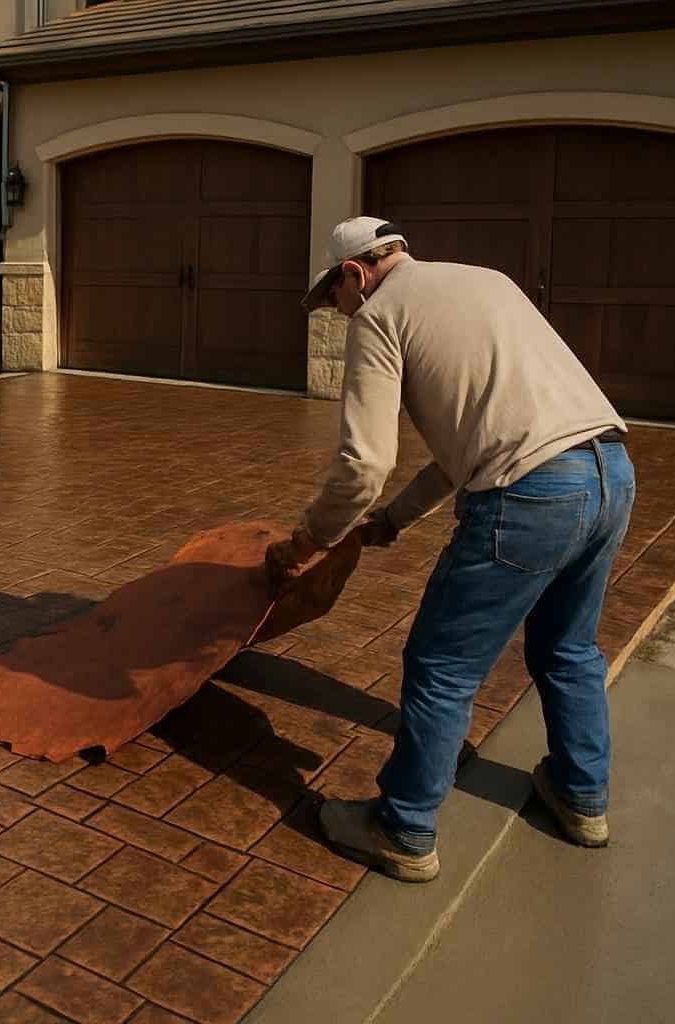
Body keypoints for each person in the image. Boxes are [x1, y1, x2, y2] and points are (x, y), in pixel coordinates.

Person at [265, 217, 636, 883]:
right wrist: (395, 521)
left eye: (336, 299)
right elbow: (467, 444)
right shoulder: (487, 284)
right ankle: (583, 800)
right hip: (610, 473)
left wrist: (307, 541)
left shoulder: (380, 315)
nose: (339, 313)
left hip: (532, 497)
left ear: (356, 273)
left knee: (442, 667)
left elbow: (363, 463)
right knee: (569, 648)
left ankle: (403, 828)